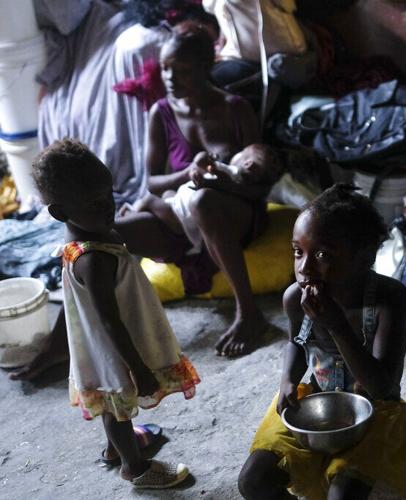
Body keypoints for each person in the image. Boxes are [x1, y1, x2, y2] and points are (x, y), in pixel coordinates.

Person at [238, 185, 406, 500]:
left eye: (322, 254)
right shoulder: (296, 297)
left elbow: (384, 388)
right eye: (298, 251)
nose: (305, 267)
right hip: (318, 399)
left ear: (366, 255)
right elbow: (297, 342)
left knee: (343, 494)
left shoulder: (389, 300)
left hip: (376, 414)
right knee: (253, 481)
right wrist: (288, 379)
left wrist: (336, 323)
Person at [32, 138, 200, 488]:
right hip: (112, 350)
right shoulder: (92, 259)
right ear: (60, 212)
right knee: (115, 406)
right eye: (96, 203)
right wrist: (137, 366)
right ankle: (135, 468)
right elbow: (109, 320)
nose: (108, 207)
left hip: (105, 344)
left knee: (115, 406)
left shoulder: (89, 235)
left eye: (108, 195)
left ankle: (115, 450)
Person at [115, 22, 274, 357]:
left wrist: (223, 181)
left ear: (205, 67)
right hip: (181, 220)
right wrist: (185, 173)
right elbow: (153, 182)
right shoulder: (162, 113)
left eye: (182, 70)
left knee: (203, 201)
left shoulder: (235, 109)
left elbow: (260, 185)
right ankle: (104, 333)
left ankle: (249, 313)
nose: (170, 78)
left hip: (231, 218)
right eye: (166, 69)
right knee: (107, 234)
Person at [121, 145, 284, 257]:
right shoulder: (237, 182)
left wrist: (204, 158)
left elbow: (200, 164)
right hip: (184, 211)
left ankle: (131, 212)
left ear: (248, 163)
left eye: (241, 153)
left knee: (149, 199)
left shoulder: (228, 173)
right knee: (168, 193)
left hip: (180, 215)